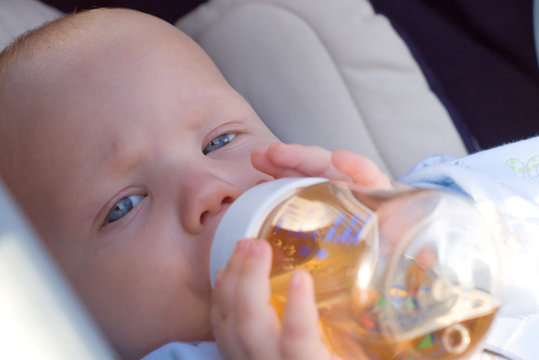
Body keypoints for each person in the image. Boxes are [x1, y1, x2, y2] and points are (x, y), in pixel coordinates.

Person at [1, 6, 538, 360]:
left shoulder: (397, 229)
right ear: (57, 304)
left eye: (218, 142)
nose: (208, 191)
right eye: (125, 205)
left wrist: (433, 225)